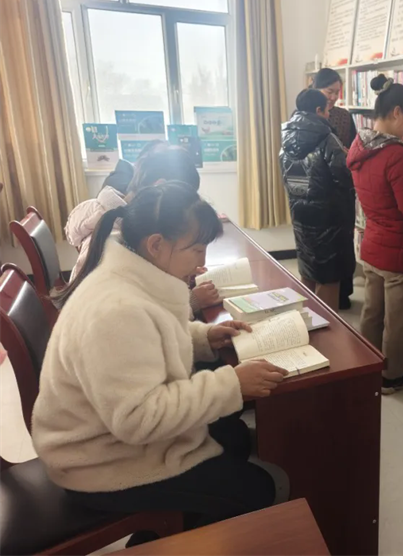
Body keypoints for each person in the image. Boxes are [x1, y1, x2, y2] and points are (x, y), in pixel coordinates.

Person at [36, 182, 289, 543]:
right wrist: (231, 383)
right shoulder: (115, 310)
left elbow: (146, 341)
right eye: (196, 249)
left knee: (230, 438)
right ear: (156, 244)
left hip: (107, 437)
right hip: (96, 462)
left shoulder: (131, 275)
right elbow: (138, 418)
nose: (202, 262)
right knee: (258, 488)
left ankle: (163, 533)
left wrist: (202, 338)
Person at [65, 143, 221, 311]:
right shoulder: (112, 248)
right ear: (160, 189)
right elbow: (129, 314)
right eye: (184, 200)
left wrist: (179, 269)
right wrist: (191, 301)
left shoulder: (130, 227)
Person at [346, 74, 403, 395]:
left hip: (373, 245)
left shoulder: (360, 146)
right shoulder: (397, 155)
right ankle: (392, 376)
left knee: (372, 314)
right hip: (401, 253)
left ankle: (367, 366)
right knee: (399, 322)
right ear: (396, 112)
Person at [279, 89, 355, 311]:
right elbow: (344, 177)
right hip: (329, 219)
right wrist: (347, 158)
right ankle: (326, 329)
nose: (330, 115)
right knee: (329, 278)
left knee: (308, 271)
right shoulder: (327, 139)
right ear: (318, 110)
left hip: (300, 214)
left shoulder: (286, 139)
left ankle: (306, 322)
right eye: (327, 110)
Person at [313, 68, 357, 310]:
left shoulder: (343, 116)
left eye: (337, 92)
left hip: (343, 187)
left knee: (343, 242)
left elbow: (355, 147)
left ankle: (343, 292)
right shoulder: (305, 115)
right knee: (320, 246)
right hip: (319, 189)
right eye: (329, 91)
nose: (333, 97)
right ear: (316, 88)